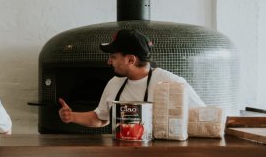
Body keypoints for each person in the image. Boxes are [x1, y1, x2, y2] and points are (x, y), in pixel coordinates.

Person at [58, 29, 205, 127]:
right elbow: (100, 118)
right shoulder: (114, 83)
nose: (109, 62)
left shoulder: (173, 83)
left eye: (113, 57)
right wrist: (71, 117)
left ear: (130, 60)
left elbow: (202, 115)